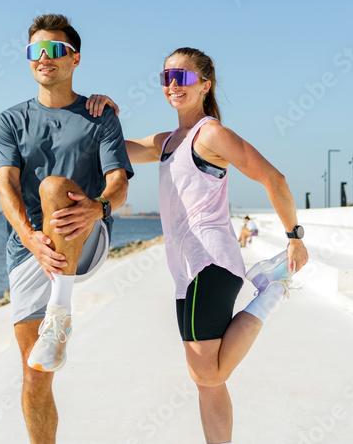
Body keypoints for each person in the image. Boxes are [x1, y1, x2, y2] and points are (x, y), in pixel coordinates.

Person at [87, 47, 308, 444]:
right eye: (167, 77)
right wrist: (106, 114)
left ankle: (271, 292)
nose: (174, 84)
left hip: (210, 261)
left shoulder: (211, 134)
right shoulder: (169, 141)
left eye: (184, 77)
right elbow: (116, 148)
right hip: (185, 270)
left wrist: (294, 237)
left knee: (208, 372)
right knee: (206, 382)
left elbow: (274, 178)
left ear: (205, 85)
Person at [0, 14, 133, 444]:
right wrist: (32, 240)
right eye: (36, 50)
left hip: (86, 235)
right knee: (35, 375)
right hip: (31, 250)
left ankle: (61, 309)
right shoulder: (10, 120)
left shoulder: (99, 115)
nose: (44, 58)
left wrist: (99, 207)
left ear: (74, 59)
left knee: (53, 187)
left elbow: (119, 183)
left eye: (55, 50)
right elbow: (7, 189)